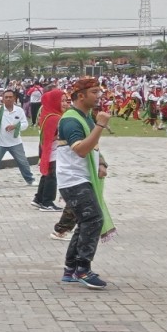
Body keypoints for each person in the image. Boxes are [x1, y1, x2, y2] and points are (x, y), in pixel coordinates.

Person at [53, 79, 114, 288]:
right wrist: (100, 125)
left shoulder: (85, 117)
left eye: (100, 92)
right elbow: (80, 149)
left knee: (86, 220)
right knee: (94, 219)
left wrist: (102, 163)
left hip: (82, 178)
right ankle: (83, 269)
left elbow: (93, 146)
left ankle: (71, 269)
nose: (99, 96)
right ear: (81, 95)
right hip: (73, 180)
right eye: (95, 92)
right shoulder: (70, 120)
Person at [0, 89, 33, 188]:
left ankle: (30, 179)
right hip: (0, 142)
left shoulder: (19, 110)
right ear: (2, 99)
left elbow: (25, 124)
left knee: (23, 162)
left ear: (14, 98)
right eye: (6, 97)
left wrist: (15, 126)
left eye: (10, 97)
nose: (8, 99)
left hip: (15, 142)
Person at [31, 88, 67, 212]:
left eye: (65, 101)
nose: (64, 103)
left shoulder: (48, 114)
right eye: (61, 101)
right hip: (53, 151)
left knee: (46, 175)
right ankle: (47, 202)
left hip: (49, 151)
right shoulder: (54, 118)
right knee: (52, 176)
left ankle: (39, 198)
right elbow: (55, 136)